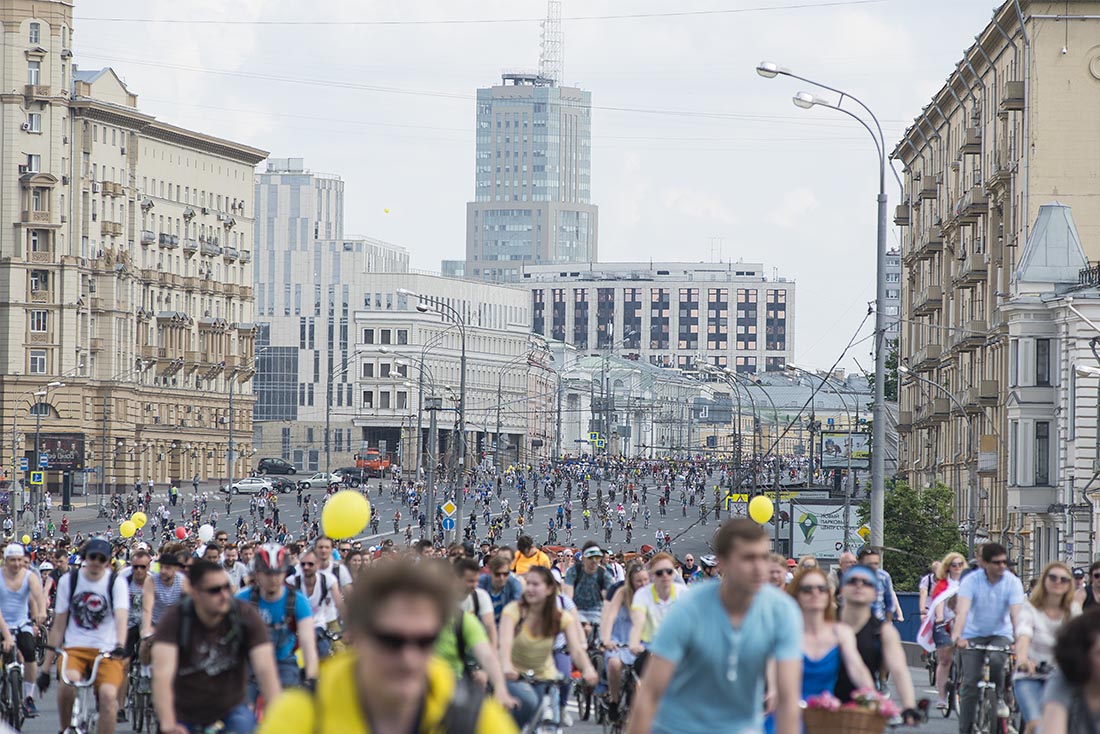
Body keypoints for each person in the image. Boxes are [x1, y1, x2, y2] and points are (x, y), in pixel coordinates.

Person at [257, 559, 519, 734]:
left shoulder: (475, 721)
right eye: (391, 641)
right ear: (357, 634)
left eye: (425, 641)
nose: (409, 658)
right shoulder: (301, 716)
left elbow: (486, 650)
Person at [626, 519, 803, 734]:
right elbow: (650, 694)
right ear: (723, 562)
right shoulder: (688, 608)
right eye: (748, 558)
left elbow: (787, 700)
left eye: (764, 557)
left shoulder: (783, 611)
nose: (759, 568)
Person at [152, 560, 281, 734]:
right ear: (195, 593)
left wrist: (278, 720)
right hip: (184, 713)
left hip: (230, 709)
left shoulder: (244, 616)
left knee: (243, 726)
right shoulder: (175, 620)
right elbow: (162, 676)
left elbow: (266, 669)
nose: (224, 595)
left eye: (226, 588)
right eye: (214, 590)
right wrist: (168, 723)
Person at [40, 538, 129, 734]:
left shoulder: (116, 583)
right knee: (67, 685)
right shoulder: (69, 581)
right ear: (85, 558)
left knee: (107, 696)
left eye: (101, 559)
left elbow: (121, 618)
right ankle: (65, 729)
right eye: (92, 557)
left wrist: (120, 645)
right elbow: (59, 624)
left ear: (108, 561)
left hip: (106, 650)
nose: (96, 562)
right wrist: (45, 669)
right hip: (75, 648)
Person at [498, 565, 597, 728]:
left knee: (551, 721)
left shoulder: (561, 616)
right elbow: (505, 643)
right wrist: (507, 667)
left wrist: (587, 668)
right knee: (517, 718)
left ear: (550, 589)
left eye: (535, 584)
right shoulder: (514, 611)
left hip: (544, 677)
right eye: (528, 583)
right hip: (515, 677)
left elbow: (576, 649)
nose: (529, 588)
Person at [952, 542, 1024, 734]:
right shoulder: (971, 581)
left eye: (1004, 562)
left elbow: (1016, 614)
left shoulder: (1012, 582)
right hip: (973, 634)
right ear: (984, 563)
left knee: (998, 659)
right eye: (996, 563)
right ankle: (965, 728)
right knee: (970, 683)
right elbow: (963, 611)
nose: (1002, 566)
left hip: (1001, 633)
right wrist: (958, 635)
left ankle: (999, 698)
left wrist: (1019, 640)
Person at [835, 565, 920, 718]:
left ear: (875, 593)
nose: (859, 585)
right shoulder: (827, 624)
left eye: (866, 583)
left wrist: (909, 706)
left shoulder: (883, 632)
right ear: (841, 589)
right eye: (852, 581)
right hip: (822, 706)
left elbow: (899, 670)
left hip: (866, 706)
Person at [236, 543, 318, 694]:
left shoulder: (297, 600)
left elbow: (308, 642)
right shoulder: (242, 599)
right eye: (267, 574)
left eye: (277, 573)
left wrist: (311, 678)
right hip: (249, 663)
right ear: (257, 574)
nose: (273, 579)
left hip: (283, 662)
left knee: (285, 707)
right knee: (243, 712)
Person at [1014, 561, 1079, 734]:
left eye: (1064, 579)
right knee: (1038, 725)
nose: (1058, 582)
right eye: (1053, 577)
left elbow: (1081, 640)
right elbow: (1024, 634)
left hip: (1061, 677)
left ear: (1069, 585)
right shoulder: (1031, 608)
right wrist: (1022, 659)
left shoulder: (1073, 611)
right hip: (1030, 675)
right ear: (1044, 581)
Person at [0, 543, 46, 718]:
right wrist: (6, 636)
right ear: (6, 561)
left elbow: (38, 595)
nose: (17, 564)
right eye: (13, 560)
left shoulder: (29, 576)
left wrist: (41, 612)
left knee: (29, 653)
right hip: (2, 624)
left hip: (21, 624)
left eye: (20, 560)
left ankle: (28, 698)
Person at [600, 561, 649, 723]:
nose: (642, 584)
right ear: (630, 581)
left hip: (642, 642)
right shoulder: (622, 593)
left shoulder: (651, 595)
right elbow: (611, 616)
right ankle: (614, 700)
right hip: (619, 640)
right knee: (614, 664)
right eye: (638, 581)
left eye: (645, 580)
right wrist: (606, 639)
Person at [287, 550, 344, 659]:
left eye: (310, 564)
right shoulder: (292, 581)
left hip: (321, 624)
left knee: (327, 650)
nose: (306, 567)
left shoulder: (328, 580)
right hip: (297, 625)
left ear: (317, 565)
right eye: (303, 564)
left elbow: (339, 603)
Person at [928, 551, 966, 710]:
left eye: (960, 564)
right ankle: (942, 696)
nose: (957, 567)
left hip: (964, 624)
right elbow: (939, 603)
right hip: (945, 623)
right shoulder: (942, 585)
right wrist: (939, 617)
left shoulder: (968, 583)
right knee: (945, 659)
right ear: (948, 567)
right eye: (954, 565)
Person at [117, 548, 150, 724]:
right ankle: (120, 708)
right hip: (128, 623)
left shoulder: (153, 580)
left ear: (148, 566)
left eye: (143, 567)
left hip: (146, 623)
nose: (139, 571)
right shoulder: (123, 578)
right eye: (135, 567)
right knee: (123, 664)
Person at [628, 552, 681, 656]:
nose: (665, 575)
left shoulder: (683, 593)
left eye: (669, 572)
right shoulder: (642, 595)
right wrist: (634, 643)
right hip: (649, 646)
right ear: (652, 575)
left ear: (674, 573)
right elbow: (638, 621)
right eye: (659, 573)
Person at [564, 542, 613, 628]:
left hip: (597, 613)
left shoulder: (604, 574)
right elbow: (568, 597)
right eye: (590, 557)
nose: (594, 561)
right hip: (576, 611)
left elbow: (609, 600)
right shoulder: (573, 571)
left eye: (597, 557)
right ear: (583, 558)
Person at [478, 555, 523, 625]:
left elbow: (517, 606)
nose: (502, 578)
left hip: (506, 625)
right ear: (490, 572)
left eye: (505, 574)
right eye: (497, 574)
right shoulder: (481, 582)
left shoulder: (513, 583)